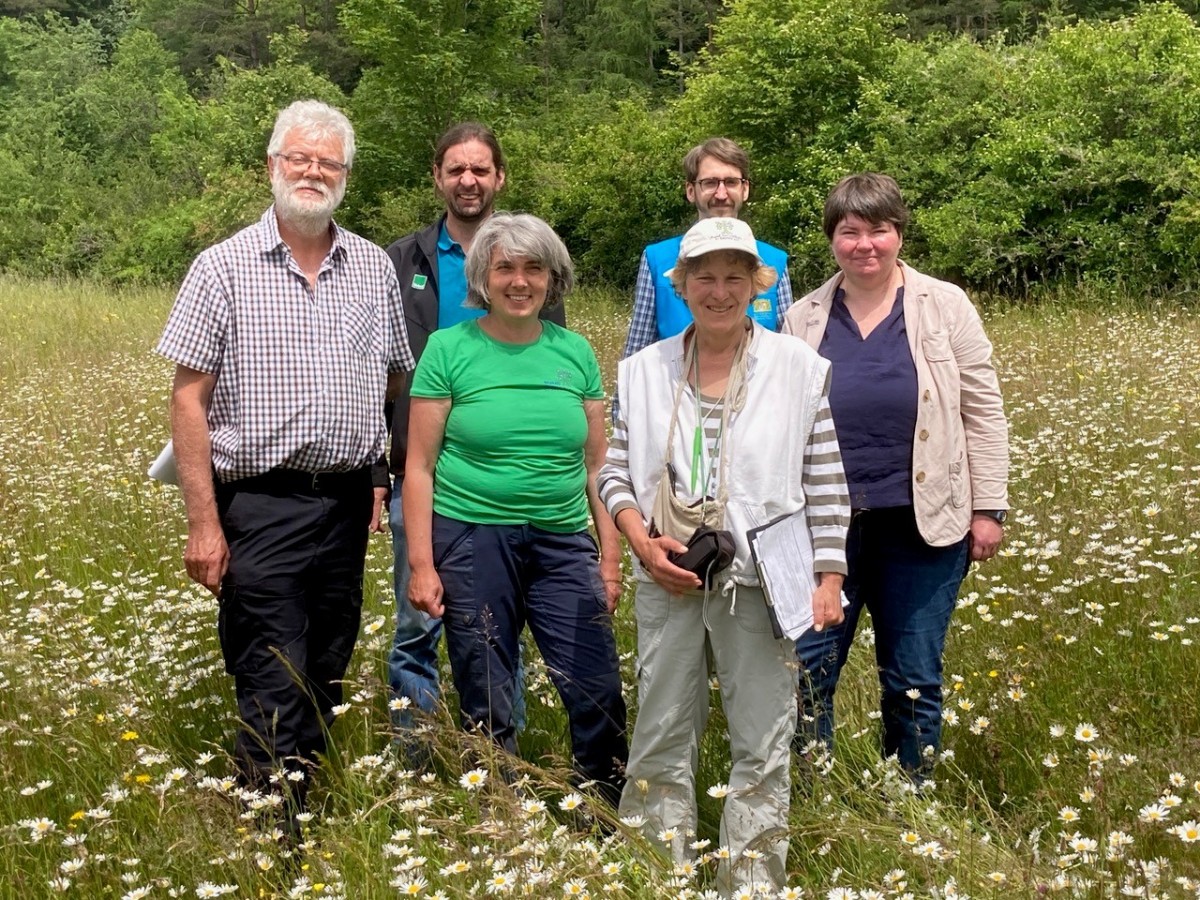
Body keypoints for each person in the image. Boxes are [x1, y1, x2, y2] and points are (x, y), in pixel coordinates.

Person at [156, 100, 413, 821]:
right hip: (258, 505)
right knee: (274, 671)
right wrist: (204, 526)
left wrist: (372, 473)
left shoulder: (371, 267)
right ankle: (270, 835)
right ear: (271, 166)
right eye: (299, 158)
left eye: (328, 163)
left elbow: (395, 376)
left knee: (328, 666)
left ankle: (303, 806)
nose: (313, 172)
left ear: (346, 176)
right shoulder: (222, 267)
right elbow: (187, 402)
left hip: (341, 506)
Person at [599, 217, 850, 892]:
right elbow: (614, 470)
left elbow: (824, 478)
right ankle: (660, 872)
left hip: (762, 585)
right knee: (659, 731)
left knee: (763, 743)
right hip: (669, 578)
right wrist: (640, 541)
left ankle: (752, 882)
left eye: (734, 277)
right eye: (703, 277)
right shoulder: (643, 371)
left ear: (755, 286)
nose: (719, 291)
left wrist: (828, 576)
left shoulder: (798, 369)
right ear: (680, 286)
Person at [786, 173, 1009, 779]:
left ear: (898, 234)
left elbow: (982, 407)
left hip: (924, 526)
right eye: (849, 231)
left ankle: (909, 798)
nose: (865, 245)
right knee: (808, 672)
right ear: (832, 239)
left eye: (878, 230)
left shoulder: (945, 304)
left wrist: (988, 507)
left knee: (912, 676)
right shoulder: (801, 317)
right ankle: (812, 795)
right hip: (822, 531)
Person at [404, 212, 627, 804]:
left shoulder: (574, 352)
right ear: (483, 276)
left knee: (595, 682)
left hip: (562, 540)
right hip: (472, 537)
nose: (520, 281)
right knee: (486, 682)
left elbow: (598, 465)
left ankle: (603, 809)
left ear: (553, 279)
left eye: (534, 268)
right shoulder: (449, 350)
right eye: (505, 267)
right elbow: (419, 467)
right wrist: (422, 566)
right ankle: (499, 813)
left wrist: (610, 558)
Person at [383, 123, 558, 749]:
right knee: (416, 622)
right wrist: (382, 476)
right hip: (421, 474)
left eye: (480, 169)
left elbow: (551, 366)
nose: (468, 181)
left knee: (499, 627)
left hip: (507, 481)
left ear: (499, 177)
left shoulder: (533, 259)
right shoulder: (401, 260)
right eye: (456, 169)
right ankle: (417, 758)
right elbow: (382, 373)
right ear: (437, 177)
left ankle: (501, 764)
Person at [621, 137, 794, 361]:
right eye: (710, 183)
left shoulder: (773, 260)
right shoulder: (657, 259)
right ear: (691, 191)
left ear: (745, 189)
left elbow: (786, 352)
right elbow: (638, 348)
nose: (721, 194)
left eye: (731, 182)